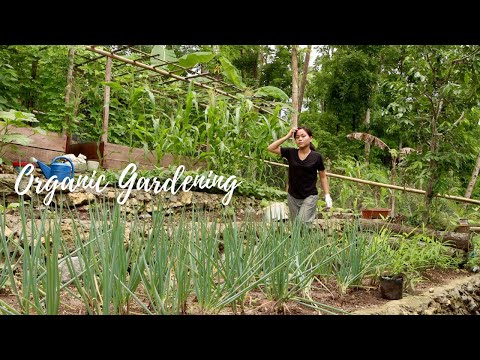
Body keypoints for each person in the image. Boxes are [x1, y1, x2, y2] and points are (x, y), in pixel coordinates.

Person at [267, 126, 332, 224]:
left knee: (302, 222)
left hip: (309, 196)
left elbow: (323, 176)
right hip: (293, 196)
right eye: (297, 137)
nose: (300, 139)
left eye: (303, 136)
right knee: (295, 227)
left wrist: (327, 195)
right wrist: (287, 136)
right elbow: (271, 148)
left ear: (310, 138)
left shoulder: (316, 157)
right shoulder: (291, 152)